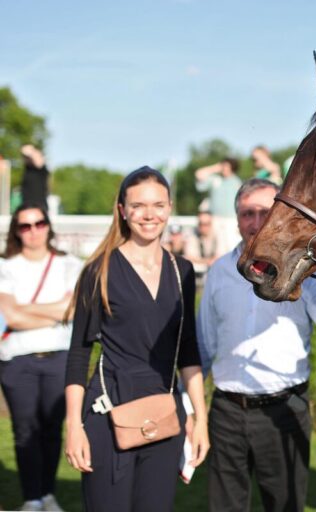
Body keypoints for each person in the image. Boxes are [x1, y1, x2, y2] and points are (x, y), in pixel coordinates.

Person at [196, 178, 316, 512]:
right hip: (226, 411)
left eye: (265, 212)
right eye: (247, 213)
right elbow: (205, 342)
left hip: (282, 410)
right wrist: (190, 406)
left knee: (285, 505)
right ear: (237, 219)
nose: (255, 221)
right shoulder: (220, 271)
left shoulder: (303, 271)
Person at [64, 166, 209, 511]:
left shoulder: (182, 270)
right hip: (108, 411)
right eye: (139, 205)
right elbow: (77, 355)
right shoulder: (98, 270)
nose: (149, 214)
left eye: (158, 205)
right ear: (122, 211)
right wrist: (73, 427)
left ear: (170, 208)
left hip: (164, 412)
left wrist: (200, 419)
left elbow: (188, 350)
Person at [0, 203, 83, 512]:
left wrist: (25, 310)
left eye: (39, 223)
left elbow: (73, 310)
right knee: (24, 431)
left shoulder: (70, 264)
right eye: (25, 226)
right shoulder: (6, 266)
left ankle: (47, 493)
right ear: (16, 231)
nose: (33, 231)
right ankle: (32, 497)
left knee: (51, 428)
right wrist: (54, 311)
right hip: (16, 359)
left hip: (59, 357)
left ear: (48, 226)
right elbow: (9, 316)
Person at [195, 158, 243, 257]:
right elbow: (199, 174)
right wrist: (215, 168)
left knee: (232, 248)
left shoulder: (237, 182)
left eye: (227, 166)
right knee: (216, 250)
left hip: (231, 220)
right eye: (223, 166)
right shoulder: (215, 179)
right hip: (215, 219)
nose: (224, 168)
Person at [20, 145, 50, 209]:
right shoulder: (27, 170)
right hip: (26, 206)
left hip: (40, 207)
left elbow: (39, 163)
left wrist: (31, 152)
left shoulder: (42, 170)